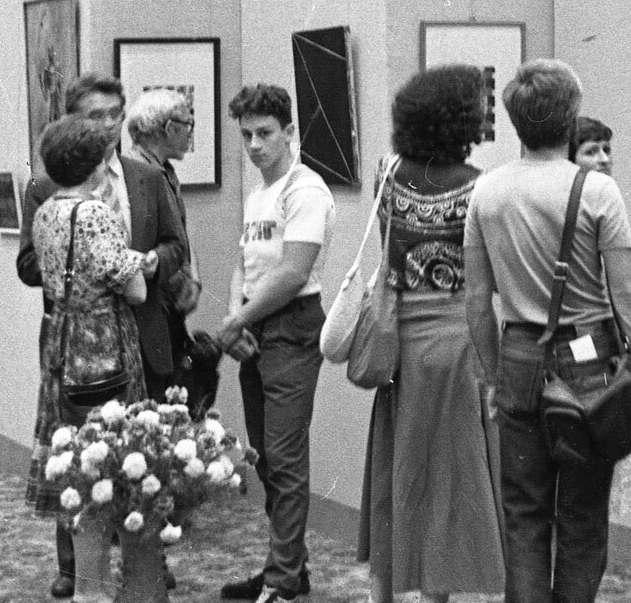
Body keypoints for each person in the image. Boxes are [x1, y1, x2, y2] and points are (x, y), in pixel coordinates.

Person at [464, 58, 631, 603]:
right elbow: (627, 294)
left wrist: (493, 374)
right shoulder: (597, 192)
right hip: (590, 358)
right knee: (584, 515)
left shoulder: (487, 193)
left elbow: (476, 300)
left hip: (518, 352)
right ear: (570, 119)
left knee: (523, 514)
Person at [17, 76, 184, 599]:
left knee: (139, 457)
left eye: (116, 114)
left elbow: (176, 245)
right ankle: (78, 570)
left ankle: (144, 563)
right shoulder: (46, 189)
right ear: (72, 122)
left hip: (140, 337)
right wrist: (100, 270)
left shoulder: (145, 175)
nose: (109, 125)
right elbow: (29, 266)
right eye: (95, 115)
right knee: (79, 454)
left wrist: (156, 262)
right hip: (91, 342)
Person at [360, 66, 504, 603]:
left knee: (405, 467)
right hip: (460, 341)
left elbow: (388, 253)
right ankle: (441, 589)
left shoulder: (387, 175)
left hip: (401, 343)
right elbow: (481, 279)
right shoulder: (480, 185)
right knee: (456, 473)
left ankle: (390, 587)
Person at [217, 84, 335, 603]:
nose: (255, 145)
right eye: (246, 134)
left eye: (265, 133)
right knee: (265, 455)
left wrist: (237, 320)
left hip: (292, 325)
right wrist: (235, 319)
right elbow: (245, 263)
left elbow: (292, 273)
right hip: (256, 324)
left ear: (290, 133)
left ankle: (283, 583)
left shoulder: (304, 190)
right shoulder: (257, 194)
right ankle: (289, 566)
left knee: (285, 459)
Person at [24, 115, 148, 601]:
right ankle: (96, 588)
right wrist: (139, 263)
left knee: (76, 462)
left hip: (63, 341)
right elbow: (132, 289)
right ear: (95, 164)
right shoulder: (95, 213)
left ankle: (85, 582)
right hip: (102, 342)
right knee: (108, 464)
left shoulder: (46, 211)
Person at [123, 89, 196, 394]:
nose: (190, 133)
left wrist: (195, 278)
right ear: (169, 128)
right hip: (152, 306)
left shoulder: (165, 171)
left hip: (170, 304)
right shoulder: (139, 174)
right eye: (187, 124)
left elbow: (176, 233)